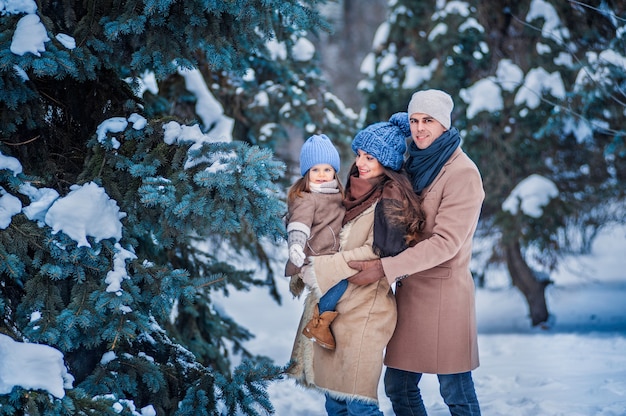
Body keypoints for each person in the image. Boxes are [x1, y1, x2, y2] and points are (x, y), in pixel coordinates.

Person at [348, 89, 485, 415]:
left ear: (444, 125)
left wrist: (384, 268)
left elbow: (446, 242)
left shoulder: (462, 173)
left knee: (456, 391)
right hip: (409, 294)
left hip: (442, 297)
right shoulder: (414, 164)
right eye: (414, 120)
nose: (420, 128)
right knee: (399, 387)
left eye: (428, 121)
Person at [287, 113, 425, 416]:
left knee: (359, 404)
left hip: (365, 310)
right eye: (360, 154)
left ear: (386, 162)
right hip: (331, 311)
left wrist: (320, 269)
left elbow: (376, 252)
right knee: (334, 403)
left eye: (370, 157)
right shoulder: (345, 193)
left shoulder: (390, 199)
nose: (361, 162)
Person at [284, 133, 346, 350]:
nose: (321, 174)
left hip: (330, 259)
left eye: (327, 169)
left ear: (334, 172)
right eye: (315, 170)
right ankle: (318, 323)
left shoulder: (338, 196)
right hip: (312, 260)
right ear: (306, 173)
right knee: (341, 283)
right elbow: (299, 224)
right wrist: (295, 247)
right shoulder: (306, 197)